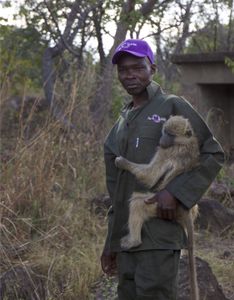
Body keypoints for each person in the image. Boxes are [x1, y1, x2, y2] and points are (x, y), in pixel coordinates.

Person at [100, 39, 224, 300]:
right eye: (123, 70)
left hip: (159, 232)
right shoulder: (121, 123)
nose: (130, 75)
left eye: (137, 67)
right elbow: (117, 191)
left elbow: (212, 154)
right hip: (127, 239)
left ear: (152, 68)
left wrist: (176, 193)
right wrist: (111, 244)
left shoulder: (172, 106)